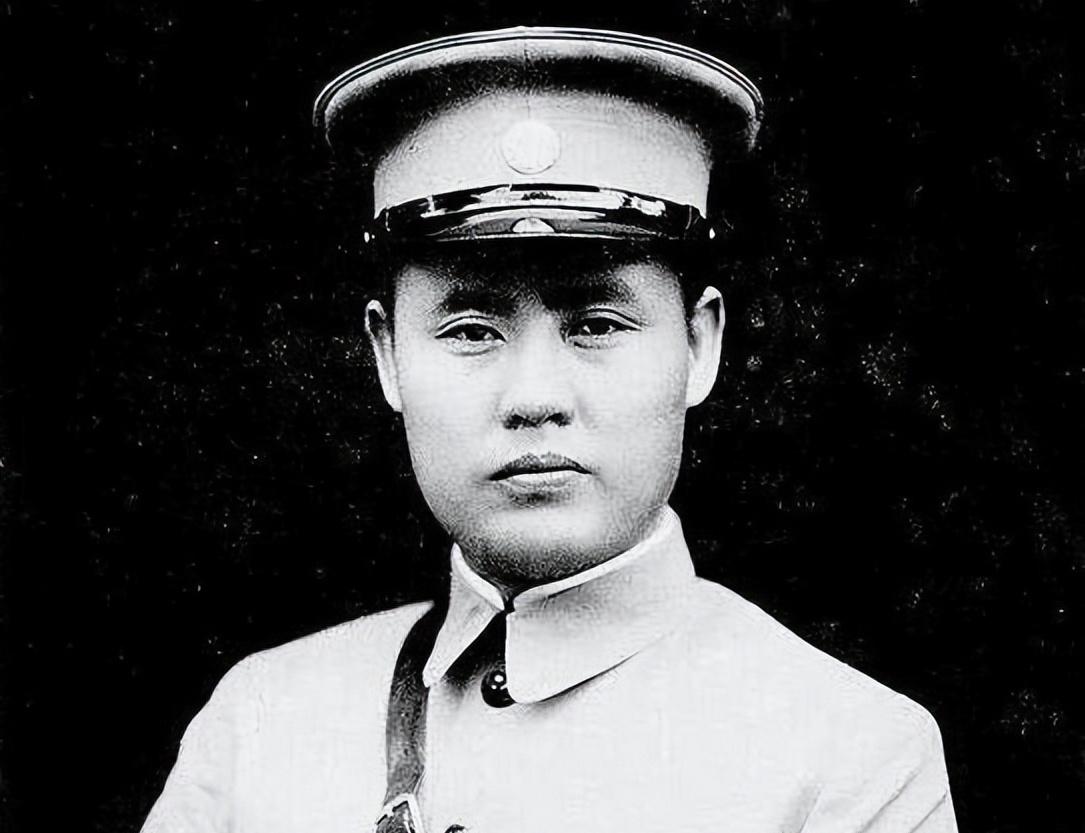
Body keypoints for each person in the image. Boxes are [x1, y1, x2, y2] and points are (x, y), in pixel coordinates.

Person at [141, 26, 958, 833]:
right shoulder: (259, 725)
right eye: (469, 329)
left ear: (699, 345)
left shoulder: (851, 757)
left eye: (597, 323)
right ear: (387, 356)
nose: (533, 397)